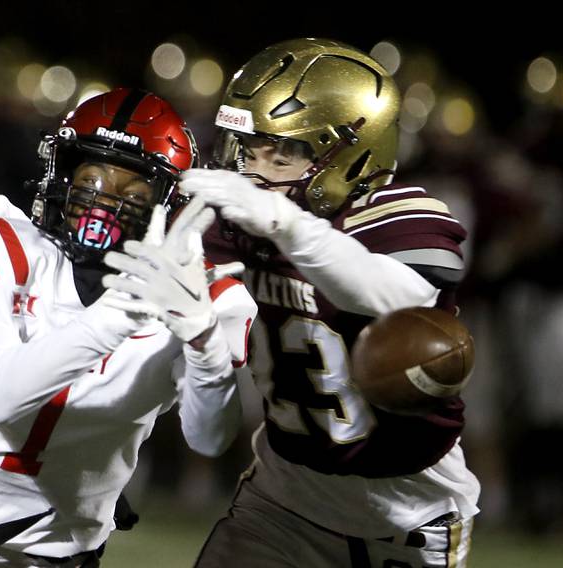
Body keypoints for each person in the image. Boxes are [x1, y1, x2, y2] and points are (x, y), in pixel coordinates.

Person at [0, 88, 256, 567]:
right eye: (91, 178)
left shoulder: (196, 296)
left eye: (132, 192)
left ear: (167, 203)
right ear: (63, 176)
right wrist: (119, 314)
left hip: (56, 559)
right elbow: (3, 395)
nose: (104, 203)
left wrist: (204, 343)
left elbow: (209, 437)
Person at [179, 38, 480, 567]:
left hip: (406, 515)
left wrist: (285, 225)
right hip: (281, 500)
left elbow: (392, 294)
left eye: (284, 152)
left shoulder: (400, 214)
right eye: (249, 150)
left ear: (353, 153)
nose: (255, 169)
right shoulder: (239, 221)